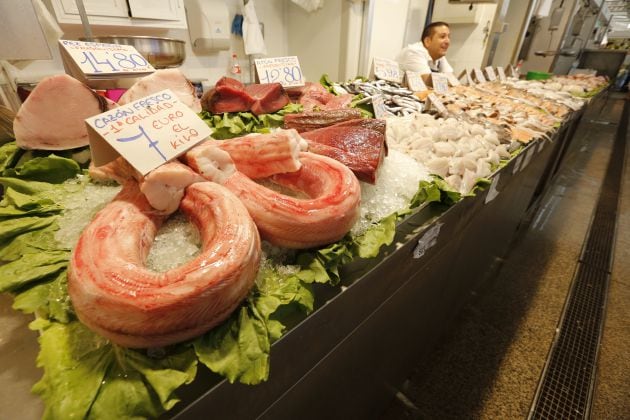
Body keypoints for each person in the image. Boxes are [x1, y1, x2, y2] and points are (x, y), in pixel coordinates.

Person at [396, 21, 453, 87]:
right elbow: (426, 81)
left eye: (449, 37)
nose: (448, 41)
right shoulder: (414, 51)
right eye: (442, 37)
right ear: (427, 41)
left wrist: (450, 80)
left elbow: (452, 79)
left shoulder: (439, 56)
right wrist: (448, 80)